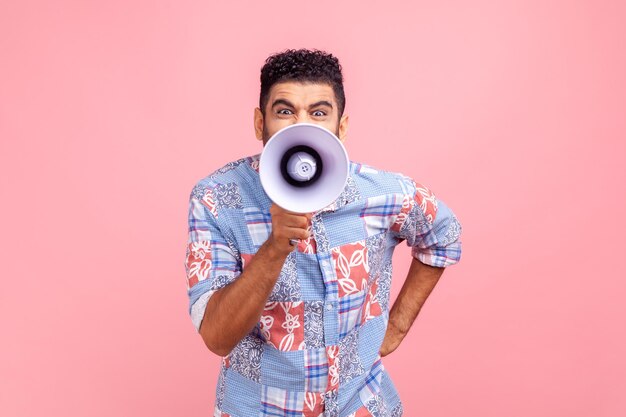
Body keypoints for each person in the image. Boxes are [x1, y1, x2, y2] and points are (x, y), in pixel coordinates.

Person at [185, 49, 462, 417]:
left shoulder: (383, 193)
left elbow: (444, 236)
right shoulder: (217, 198)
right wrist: (274, 247)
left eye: (318, 113)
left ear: (341, 127)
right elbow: (217, 337)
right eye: (285, 112)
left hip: (359, 404)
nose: (302, 127)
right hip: (258, 407)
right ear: (259, 123)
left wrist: (396, 324)